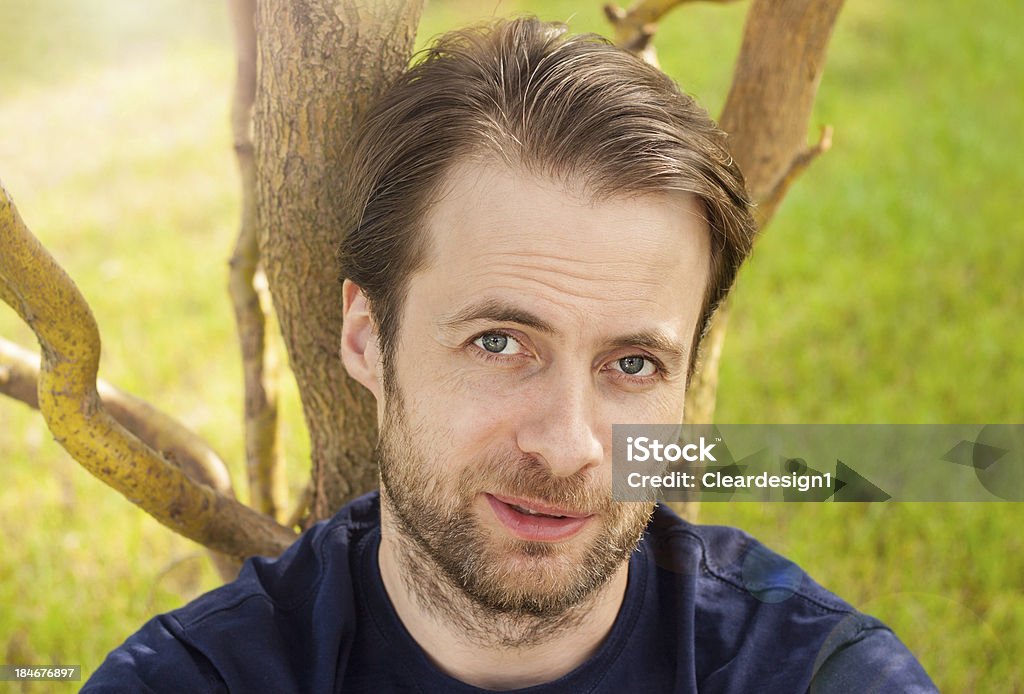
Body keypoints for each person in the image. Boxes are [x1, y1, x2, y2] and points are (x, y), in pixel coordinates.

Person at [84, 16, 936, 692]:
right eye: (499, 342)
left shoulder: (813, 672)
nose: (568, 445)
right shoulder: (195, 680)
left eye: (633, 364)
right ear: (366, 339)